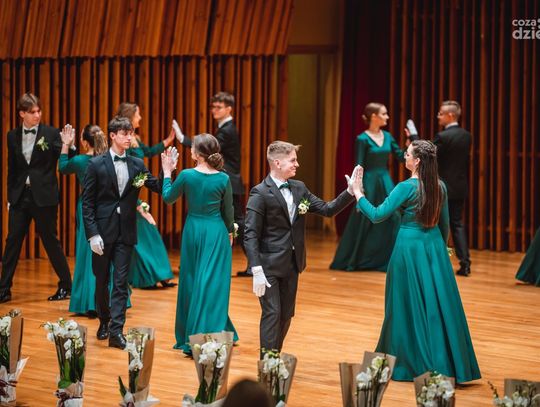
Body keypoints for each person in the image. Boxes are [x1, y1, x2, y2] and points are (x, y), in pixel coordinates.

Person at [350, 140, 481, 383]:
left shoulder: (405, 187)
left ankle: (407, 361)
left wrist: (358, 192)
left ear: (417, 161)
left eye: (408, 154)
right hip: (434, 248)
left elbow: (377, 215)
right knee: (436, 306)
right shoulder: (440, 186)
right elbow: (444, 226)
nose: (405, 157)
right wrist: (441, 253)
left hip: (408, 249)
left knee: (402, 305)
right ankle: (444, 362)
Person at [244, 141, 355, 354]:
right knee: (272, 313)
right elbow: (250, 234)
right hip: (267, 266)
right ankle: (267, 363)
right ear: (277, 163)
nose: (297, 164)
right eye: (293, 160)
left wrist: (349, 192)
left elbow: (327, 209)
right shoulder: (260, 193)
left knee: (286, 315)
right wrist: (256, 269)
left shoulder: (299, 188)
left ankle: (274, 357)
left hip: (292, 264)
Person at [82, 116, 162, 349]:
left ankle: (116, 331)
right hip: (102, 232)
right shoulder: (96, 164)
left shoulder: (137, 164)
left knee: (120, 282)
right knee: (101, 281)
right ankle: (104, 321)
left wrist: (167, 171)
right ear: (112, 136)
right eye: (125, 133)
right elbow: (87, 203)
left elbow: (156, 186)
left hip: (125, 232)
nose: (129, 137)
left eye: (131, 133)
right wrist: (92, 234)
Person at [161, 133, 238, 355]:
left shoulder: (186, 175)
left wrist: (167, 172)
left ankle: (195, 332)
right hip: (216, 232)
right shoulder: (223, 179)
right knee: (212, 282)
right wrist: (230, 232)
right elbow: (229, 211)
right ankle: (210, 329)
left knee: (192, 280)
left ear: (196, 154)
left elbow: (168, 197)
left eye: (192, 148)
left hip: (193, 231)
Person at [0, 93, 72, 303]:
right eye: (32, 112)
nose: (37, 115)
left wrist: (68, 144)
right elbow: (12, 169)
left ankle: (66, 285)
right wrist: (10, 197)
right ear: (22, 114)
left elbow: (66, 157)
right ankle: (4, 289)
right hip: (20, 197)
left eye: (39, 111)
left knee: (50, 241)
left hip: (44, 196)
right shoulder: (12, 136)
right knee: (12, 242)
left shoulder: (50, 133)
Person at [174, 92, 248, 276]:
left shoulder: (227, 130)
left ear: (229, 109)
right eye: (213, 107)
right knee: (232, 221)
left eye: (219, 107)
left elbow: (209, 149)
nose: (214, 110)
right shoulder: (224, 128)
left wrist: (183, 139)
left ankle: (255, 263)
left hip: (228, 182)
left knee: (237, 223)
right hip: (225, 181)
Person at [331, 103, 406, 272]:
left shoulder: (388, 136)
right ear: (374, 116)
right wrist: (360, 189)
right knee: (365, 218)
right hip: (370, 181)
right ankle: (358, 259)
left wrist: (409, 144)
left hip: (385, 181)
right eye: (384, 114)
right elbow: (359, 165)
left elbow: (401, 157)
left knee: (393, 216)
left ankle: (388, 259)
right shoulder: (362, 139)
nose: (387, 117)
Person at [116, 102, 176, 288]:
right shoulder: (124, 146)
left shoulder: (135, 140)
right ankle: (148, 277)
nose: (140, 117)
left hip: (135, 192)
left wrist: (167, 141)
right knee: (143, 237)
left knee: (148, 235)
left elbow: (148, 152)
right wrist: (137, 204)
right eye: (137, 114)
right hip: (126, 197)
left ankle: (158, 275)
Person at [59, 124, 110, 315]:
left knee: (87, 252)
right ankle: (107, 300)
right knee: (105, 251)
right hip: (105, 208)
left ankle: (87, 301)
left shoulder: (80, 161)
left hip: (87, 208)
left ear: (84, 142)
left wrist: (66, 144)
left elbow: (63, 167)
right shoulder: (107, 159)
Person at [433, 101, 472, 276]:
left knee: (439, 225)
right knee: (457, 224)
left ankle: (441, 260)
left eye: (441, 113)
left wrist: (413, 138)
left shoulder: (442, 137)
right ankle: (465, 262)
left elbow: (428, 155)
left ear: (450, 115)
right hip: (460, 186)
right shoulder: (467, 136)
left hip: (442, 188)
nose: (438, 116)